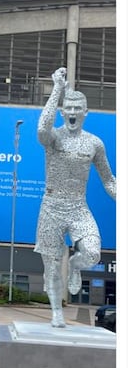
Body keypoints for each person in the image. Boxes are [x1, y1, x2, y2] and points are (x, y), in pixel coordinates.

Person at [34, 67, 116, 327]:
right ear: (62, 111)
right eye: (67, 108)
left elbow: (109, 180)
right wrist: (57, 87)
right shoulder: (54, 139)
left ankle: (77, 265)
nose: (71, 113)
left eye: (76, 109)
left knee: (92, 252)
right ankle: (57, 312)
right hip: (51, 207)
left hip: (78, 207)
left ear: (85, 112)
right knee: (52, 267)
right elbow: (41, 129)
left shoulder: (94, 144)